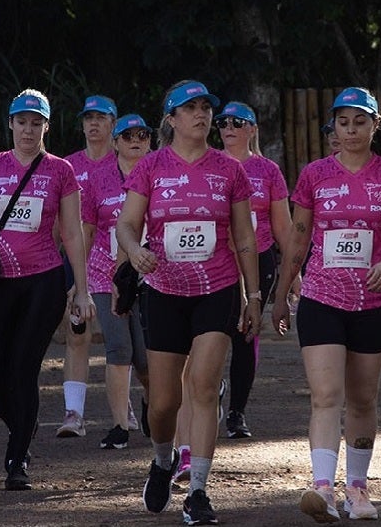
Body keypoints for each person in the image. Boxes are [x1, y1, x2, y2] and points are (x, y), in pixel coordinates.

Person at [271, 87, 381, 523]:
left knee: (361, 399)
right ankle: (322, 489)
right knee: (325, 396)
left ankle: (357, 489)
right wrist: (282, 296)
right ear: (333, 127)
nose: (351, 129)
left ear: (375, 126)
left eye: (360, 121)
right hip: (321, 298)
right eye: (343, 122)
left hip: (373, 301)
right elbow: (298, 239)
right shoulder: (316, 175)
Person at [116, 80, 261, 525]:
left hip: (216, 288)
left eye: (205, 108)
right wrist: (136, 251)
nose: (201, 115)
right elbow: (126, 223)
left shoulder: (229, 169)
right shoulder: (151, 166)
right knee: (162, 403)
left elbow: (244, 238)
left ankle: (198, 489)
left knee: (203, 384)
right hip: (163, 291)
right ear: (172, 119)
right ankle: (163, 459)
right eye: (190, 108)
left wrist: (253, 295)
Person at [0, 89, 95, 490]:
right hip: (0, 284)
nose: (28, 130)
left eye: (36, 123)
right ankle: (23, 425)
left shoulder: (60, 171)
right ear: (11, 124)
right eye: (22, 122)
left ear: (46, 127)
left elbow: (71, 233)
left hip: (44, 282)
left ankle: (17, 460)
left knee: (22, 367)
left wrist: (81, 291)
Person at [215, 101, 296, 439]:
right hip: (215, 259)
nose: (228, 127)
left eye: (237, 121)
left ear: (251, 129)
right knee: (211, 331)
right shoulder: (208, 165)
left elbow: (284, 227)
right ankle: (210, 387)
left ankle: (237, 412)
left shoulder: (268, 171)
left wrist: (293, 274)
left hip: (259, 259)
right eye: (222, 122)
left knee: (246, 334)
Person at [83, 113, 152, 449]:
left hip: (150, 275)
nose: (135, 140)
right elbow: (87, 229)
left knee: (146, 358)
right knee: (118, 347)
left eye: (143, 134)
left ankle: (155, 407)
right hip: (103, 273)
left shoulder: (162, 174)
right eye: (127, 136)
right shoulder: (98, 178)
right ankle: (119, 425)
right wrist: (78, 280)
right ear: (115, 142)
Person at [57, 94, 119, 438]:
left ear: (113, 123)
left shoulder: (125, 161)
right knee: (76, 333)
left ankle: (124, 406)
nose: (93, 124)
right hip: (76, 262)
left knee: (122, 341)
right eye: (88, 118)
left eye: (101, 117)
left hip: (119, 264)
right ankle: (73, 414)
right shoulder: (67, 166)